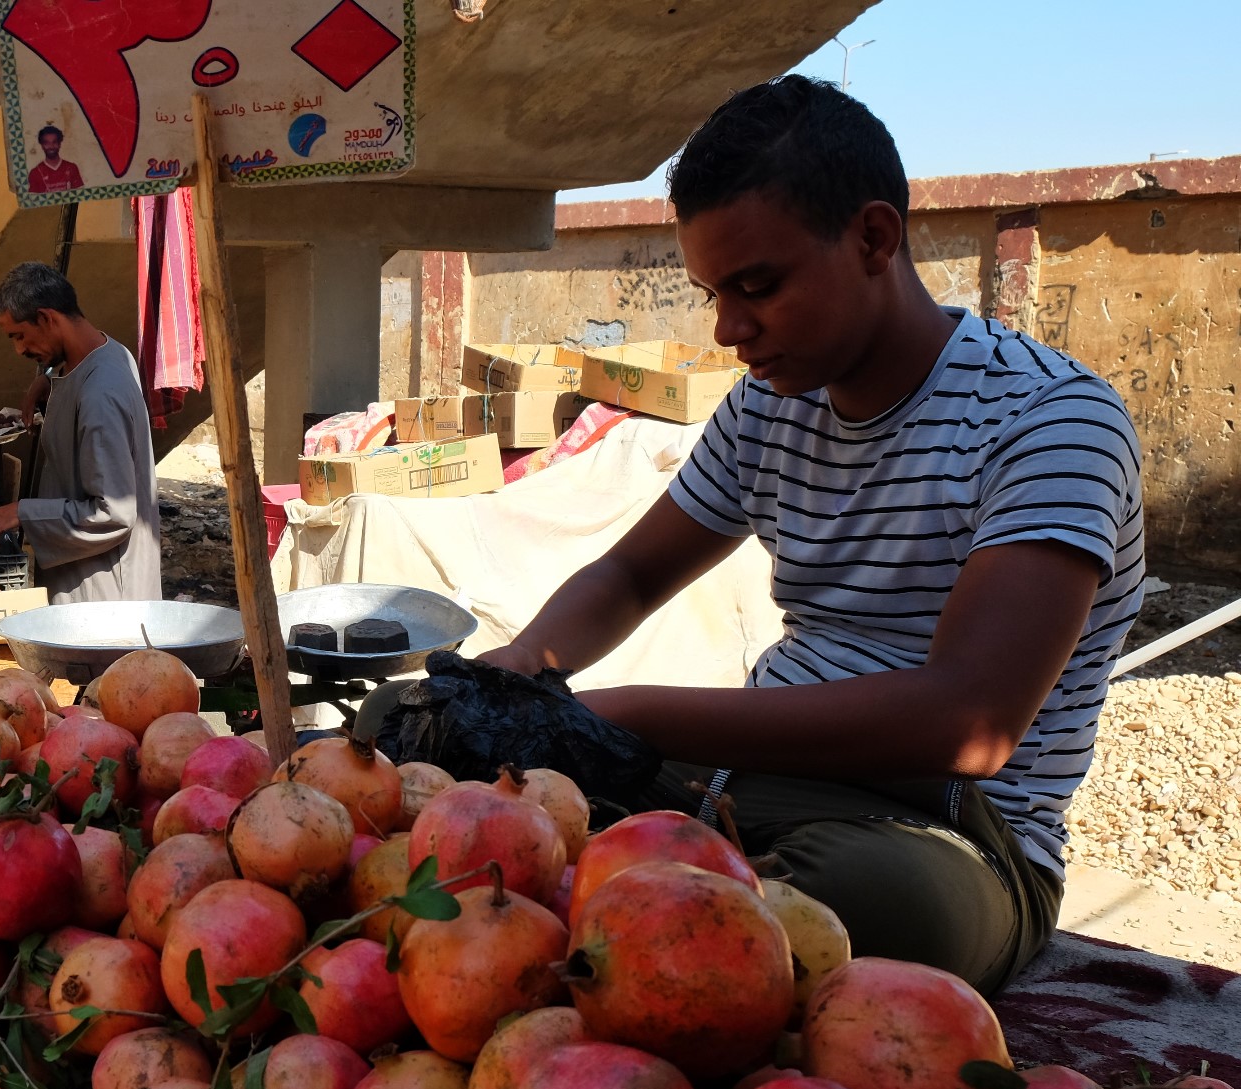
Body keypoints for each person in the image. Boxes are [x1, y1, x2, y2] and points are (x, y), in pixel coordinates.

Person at [479, 76, 1143, 993]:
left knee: (865, 898)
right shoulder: (768, 405)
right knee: (432, 741)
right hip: (746, 774)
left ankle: (643, 900)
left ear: (875, 238)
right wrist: (523, 671)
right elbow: (631, 575)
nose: (730, 330)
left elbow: (968, 725)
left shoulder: (1051, 421)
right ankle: (660, 893)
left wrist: (623, 713)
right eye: (715, 293)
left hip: (949, 832)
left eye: (758, 287)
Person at [0, 262, 162, 604]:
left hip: (104, 599)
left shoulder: (100, 394)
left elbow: (115, 513)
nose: (19, 350)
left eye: (18, 335)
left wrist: (24, 512)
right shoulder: (109, 353)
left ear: (48, 318)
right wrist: (49, 379)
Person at [25, 125, 85, 195]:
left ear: (59, 144)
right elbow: (34, 201)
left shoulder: (72, 168)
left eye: (54, 142)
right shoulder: (35, 173)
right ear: (42, 146)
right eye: (47, 143)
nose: (51, 146)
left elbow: (80, 196)